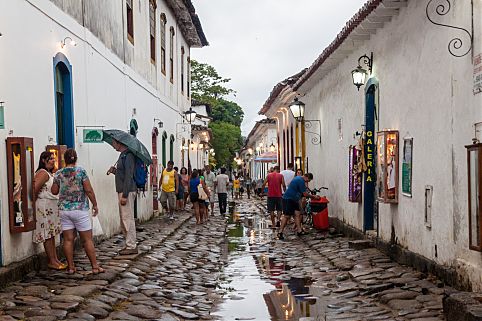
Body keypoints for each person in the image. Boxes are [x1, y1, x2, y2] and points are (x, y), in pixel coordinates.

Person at [52, 149, 103, 274]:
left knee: (68, 240)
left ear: (65, 159)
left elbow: (54, 191)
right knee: (87, 240)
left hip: (65, 210)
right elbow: (88, 190)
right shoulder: (81, 172)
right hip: (80, 210)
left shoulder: (59, 173)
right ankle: (95, 267)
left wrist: (57, 182)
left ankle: (70, 267)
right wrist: (95, 204)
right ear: (76, 158)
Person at [33, 151, 65, 270]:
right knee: (47, 234)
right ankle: (51, 260)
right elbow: (34, 189)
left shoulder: (50, 173)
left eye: (53, 159)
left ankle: (55, 259)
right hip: (44, 207)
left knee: (51, 234)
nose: (53, 160)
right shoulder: (42, 173)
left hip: (51, 207)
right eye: (50, 159)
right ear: (43, 160)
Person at [106, 139, 138, 255]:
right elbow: (123, 174)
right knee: (124, 218)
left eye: (114, 143)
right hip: (123, 190)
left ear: (120, 143)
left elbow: (129, 176)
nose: (113, 145)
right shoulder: (122, 156)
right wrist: (114, 171)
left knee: (127, 219)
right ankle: (128, 244)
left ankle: (131, 245)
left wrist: (124, 195)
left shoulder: (128, 156)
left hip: (127, 191)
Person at [278, 173, 320, 240]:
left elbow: (301, 192)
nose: (308, 182)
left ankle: (299, 230)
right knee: (286, 216)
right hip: (288, 199)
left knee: (297, 214)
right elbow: (304, 194)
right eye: (308, 180)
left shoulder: (298, 178)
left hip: (295, 199)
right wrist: (314, 196)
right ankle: (280, 232)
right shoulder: (300, 181)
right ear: (306, 177)